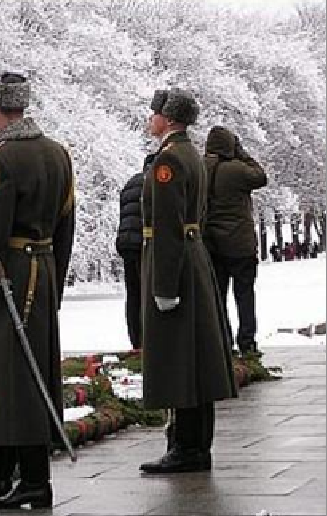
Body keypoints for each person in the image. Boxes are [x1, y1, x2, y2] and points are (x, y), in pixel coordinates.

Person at [0, 72, 75, 509]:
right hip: (42, 271)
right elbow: (66, 228)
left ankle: (34, 481)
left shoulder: (0, 159)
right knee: (25, 370)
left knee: (14, 375)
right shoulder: (58, 153)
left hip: (8, 275)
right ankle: (1, 472)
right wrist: (54, 283)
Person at [139, 88, 237, 474]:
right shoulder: (190, 154)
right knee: (195, 359)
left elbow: (166, 226)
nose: (150, 119)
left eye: (154, 114)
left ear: (168, 118)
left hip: (175, 265)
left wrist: (163, 286)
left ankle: (185, 446)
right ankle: (195, 444)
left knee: (178, 358)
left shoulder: (169, 160)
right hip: (193, 260)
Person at [203, 126, 267, 355]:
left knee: (218, 298)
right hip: (240, 245)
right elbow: (261, 176)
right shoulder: (238, 170)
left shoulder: (200, 168)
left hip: (212, 245)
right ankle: (247, 343)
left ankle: (224, 343)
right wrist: (241, 153)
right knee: (245, 295)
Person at [115, 170, 146, 350]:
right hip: (142, 242)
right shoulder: (155, 182)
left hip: (126, 242)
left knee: (133, 294)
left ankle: (136, 341)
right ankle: (145, 340)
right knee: (146, 294)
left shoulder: (131, 181)